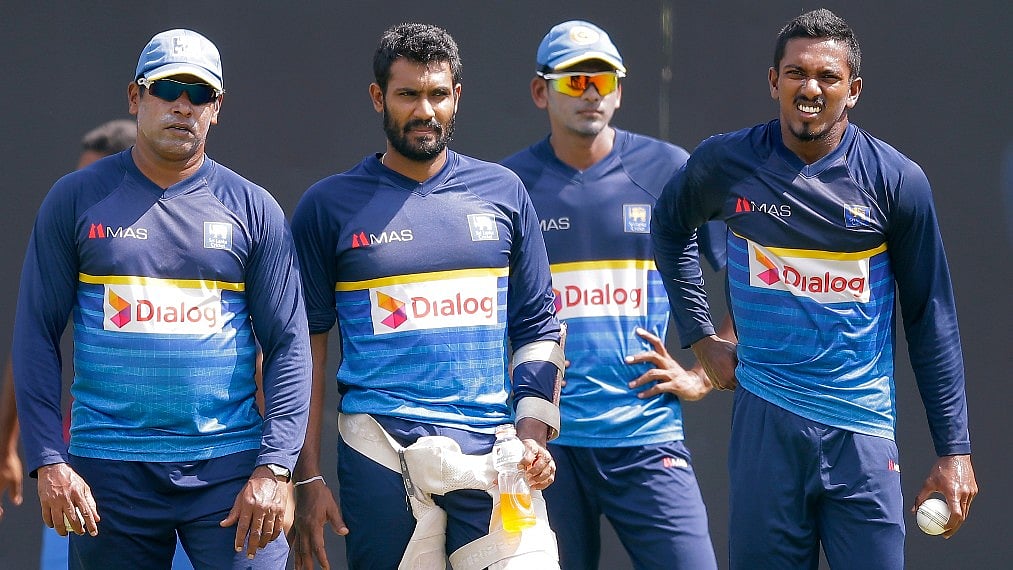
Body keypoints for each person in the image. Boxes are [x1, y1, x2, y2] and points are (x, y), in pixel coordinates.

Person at [651, 8, 978, 568]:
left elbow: (931, 318)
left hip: (862, 433)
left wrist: (955, 452)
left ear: (853, 90)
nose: (811, 88)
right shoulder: (726, 163)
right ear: (773, 81)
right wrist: (702, 339)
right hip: (764, 426)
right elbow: (671, 225)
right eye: (797, 72)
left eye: (828, 77)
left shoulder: (896, 180)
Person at [12, 28, 311, 568]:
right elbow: (35, 333)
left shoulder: (254, 208)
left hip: (229, 467)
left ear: (215, 108)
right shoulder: (76, 199)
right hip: (109, 470)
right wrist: (47, 460)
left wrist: (276, 467)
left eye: (199, 94)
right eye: (168, 89)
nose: (182, 105)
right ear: (135, 97)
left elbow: (289, 345)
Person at [289, 22, 564, 570]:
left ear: (457, 96)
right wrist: (307, 477)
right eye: (408, 94)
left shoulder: (504, 193)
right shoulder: (328, 206)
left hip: (494, 454)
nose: (425, 111)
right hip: (380, 454)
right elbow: (304, 351)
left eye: (438, 94)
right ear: (378, 98)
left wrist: (533, 437)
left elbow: (539, 327)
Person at [501, 20, 728, 570]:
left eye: (603, 80)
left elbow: (755, 276)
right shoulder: (506, 186)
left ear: (620, 90)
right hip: (543, 450)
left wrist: (705, 374)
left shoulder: (671, 170)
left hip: (648, 437)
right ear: (540, 91)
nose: (592, 92)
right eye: (575, 81)